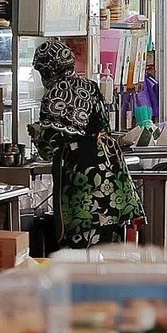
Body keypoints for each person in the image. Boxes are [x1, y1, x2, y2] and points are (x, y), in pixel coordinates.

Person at [28, 40, 144, 249]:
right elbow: (104, 126)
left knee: (79, 247)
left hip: (79, 179)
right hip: (109, 174)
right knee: (109, 247)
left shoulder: (54, 96)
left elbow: (49, 148)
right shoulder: (89, 85)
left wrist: (37, 134)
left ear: (47, 69)